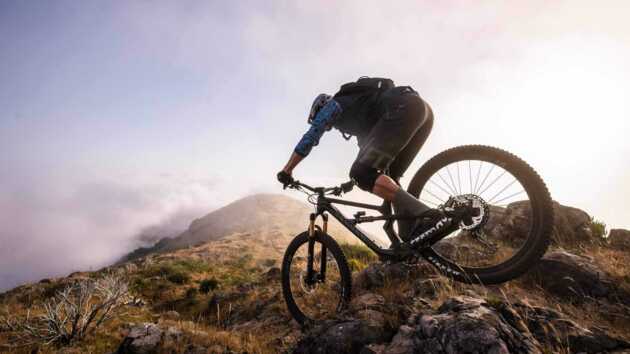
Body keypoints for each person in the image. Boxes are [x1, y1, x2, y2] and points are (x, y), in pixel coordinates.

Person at [277, 76, 439, 242]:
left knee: (361, 172)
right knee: (388, 175)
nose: (328, 126)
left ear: (320, 107)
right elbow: (367, 155)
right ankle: (410, 236)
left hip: (403, 109)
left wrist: (287, 170)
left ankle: (430, 216)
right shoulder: (360, 112)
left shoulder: (334, 104)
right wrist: (352, 183)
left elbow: (310, 137)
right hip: (421, 111)